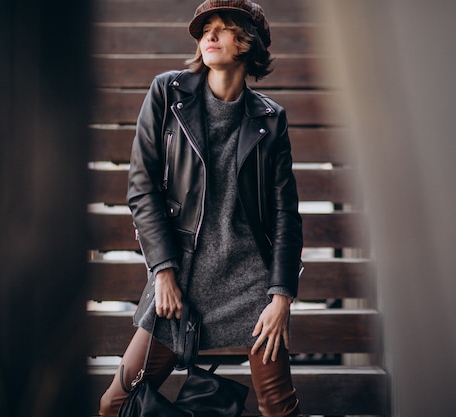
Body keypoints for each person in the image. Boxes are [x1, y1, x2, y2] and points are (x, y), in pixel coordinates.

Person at [98, 1, 303, 416]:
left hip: (251, 284)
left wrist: (281, 297)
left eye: (224, 28)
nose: (209, 36)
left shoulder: (270, 118)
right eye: (206, 28)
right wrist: (163, 273)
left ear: (249, 44)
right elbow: (142, 188)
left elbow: (285, 214)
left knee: (279, 408)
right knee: (114, 405)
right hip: (182, 278)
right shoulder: (168, 93)